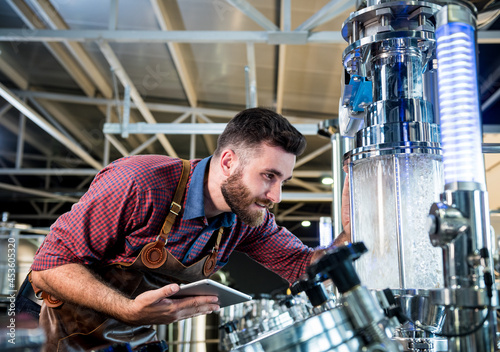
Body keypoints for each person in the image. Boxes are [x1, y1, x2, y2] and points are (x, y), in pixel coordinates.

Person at [27, 107, 351, 351]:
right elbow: (46, 268)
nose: (276, 196)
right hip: (53, 334)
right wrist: (127, 309)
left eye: (283, 181)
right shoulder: (140, 183)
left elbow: (304, 266)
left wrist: (352, 232)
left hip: (132, 339)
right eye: (268, 176)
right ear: (228, 162)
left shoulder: (247, 221)